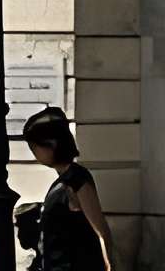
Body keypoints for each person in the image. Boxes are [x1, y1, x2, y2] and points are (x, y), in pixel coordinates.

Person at [22, 107, 112, 271]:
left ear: (51, 145)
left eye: (34, 147)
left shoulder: (76, 179)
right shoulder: (63, 181)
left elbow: (101, 231)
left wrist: (110, 266)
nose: (34, 153)